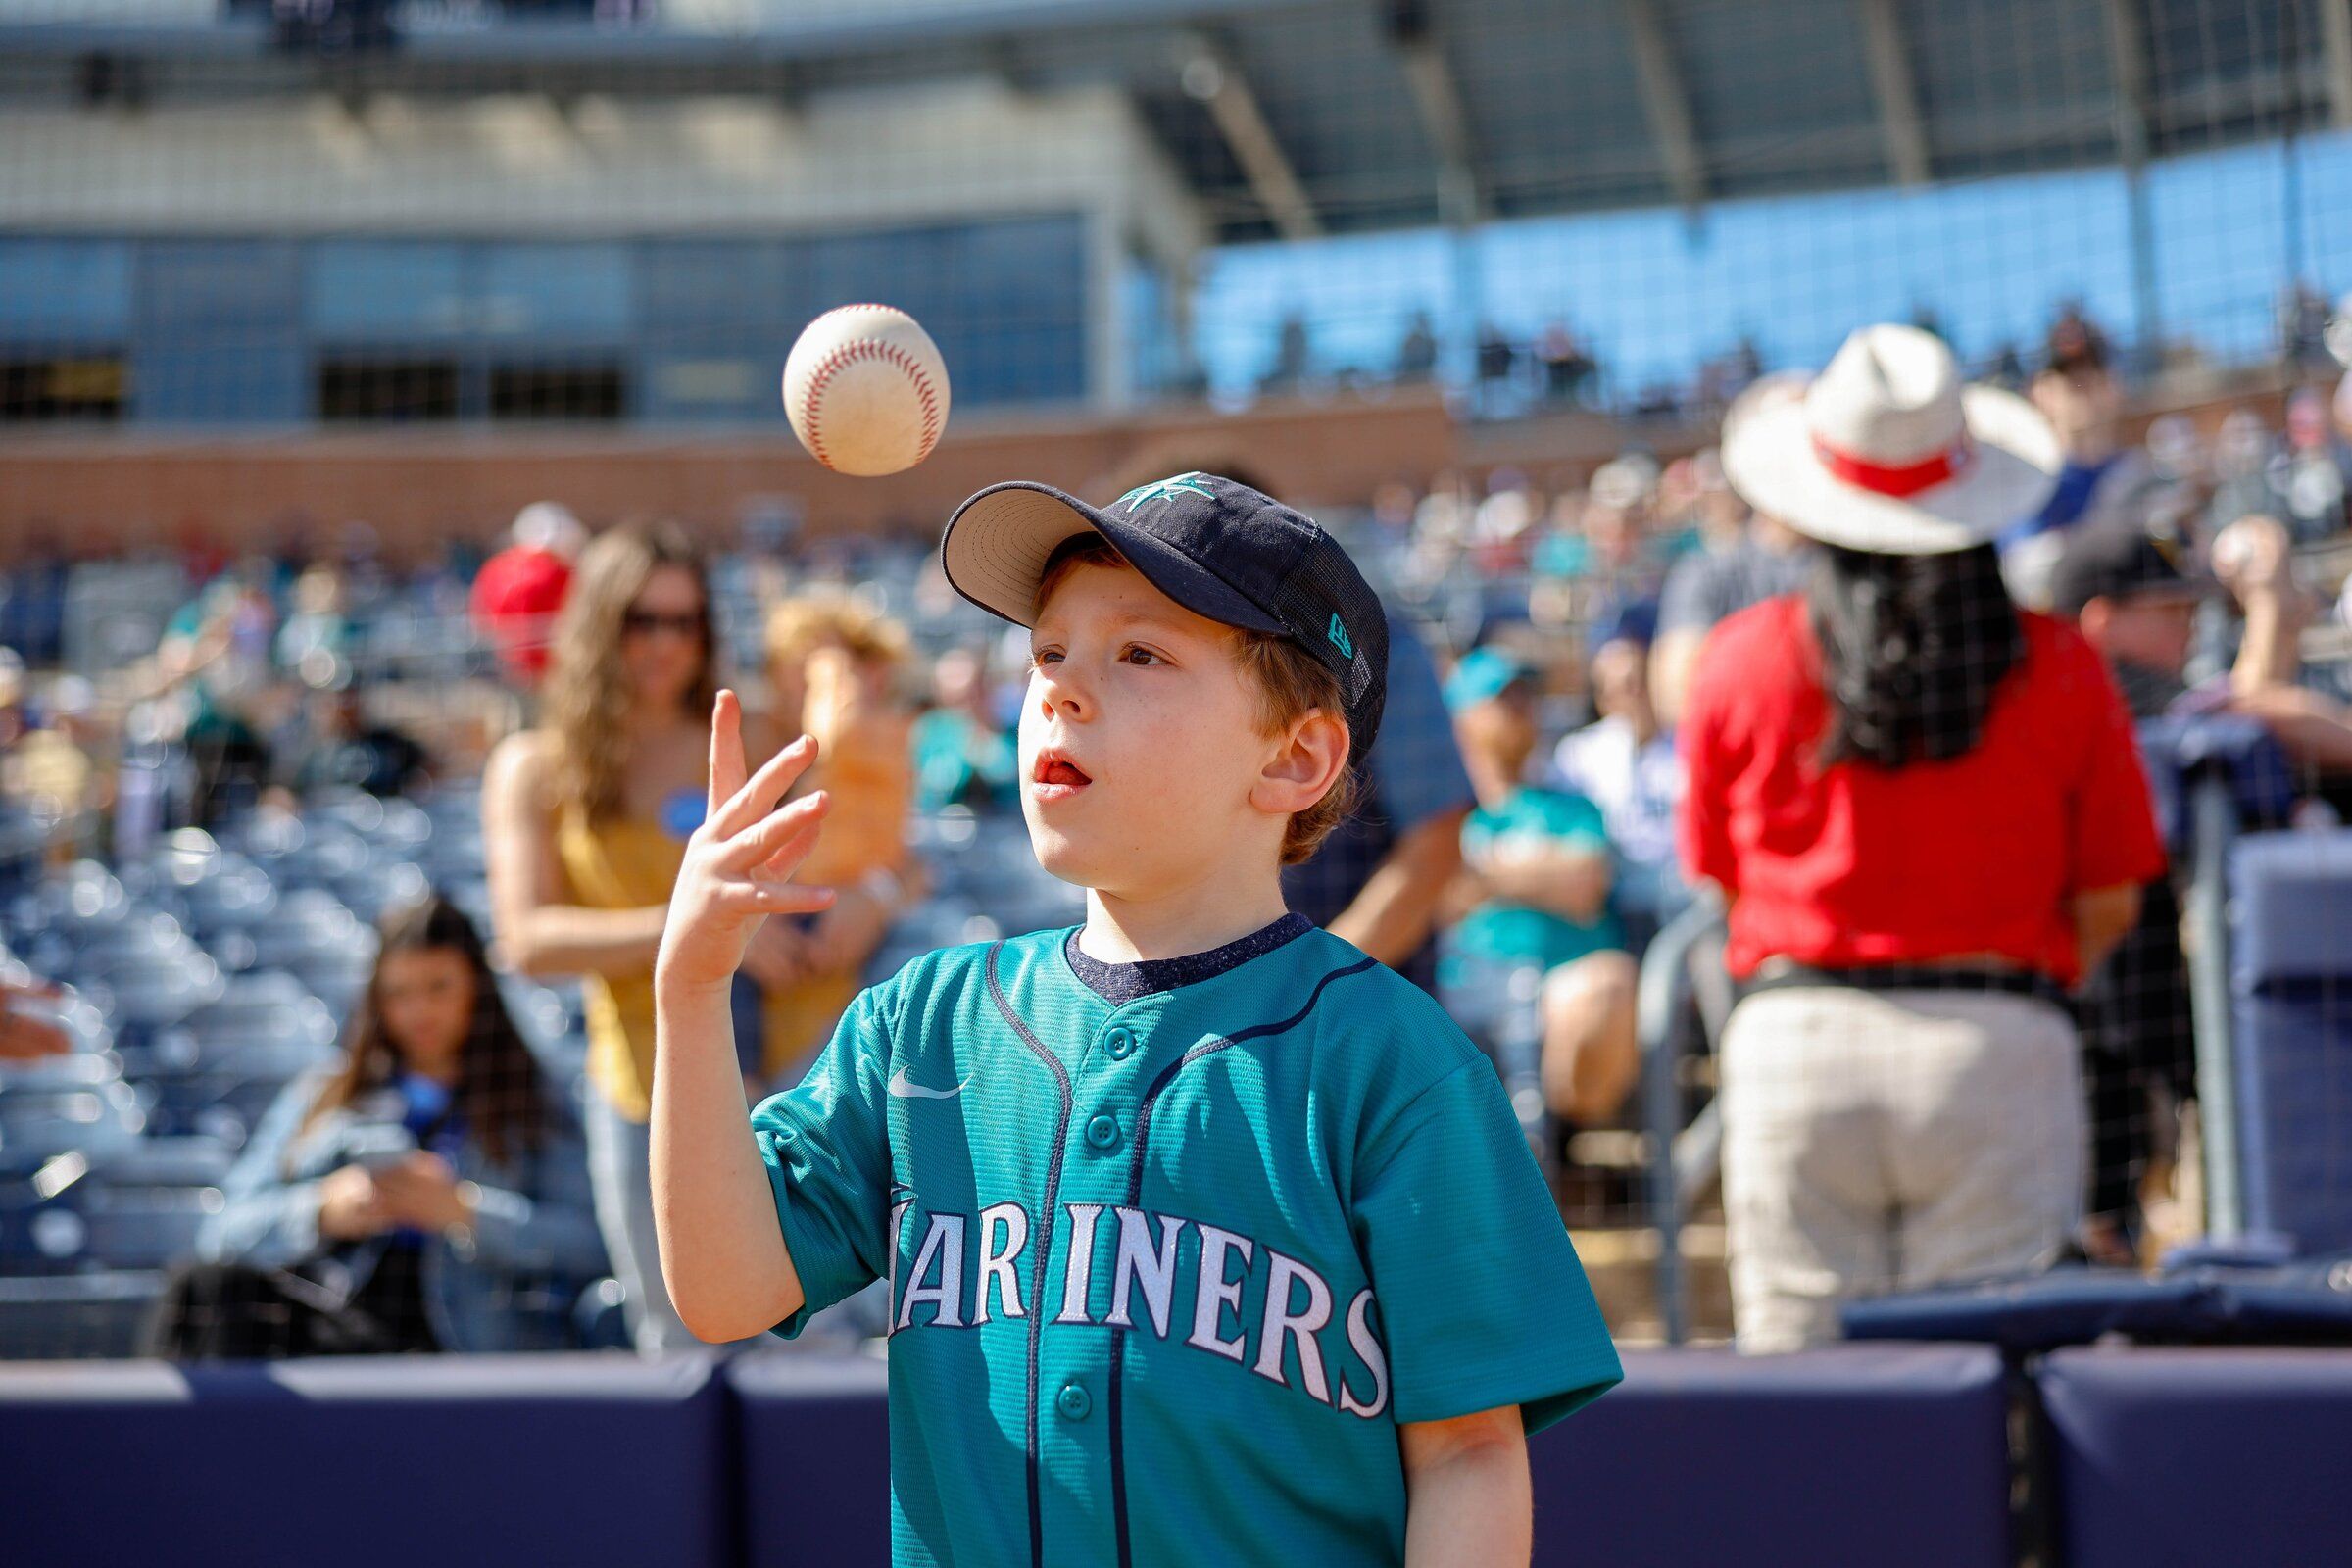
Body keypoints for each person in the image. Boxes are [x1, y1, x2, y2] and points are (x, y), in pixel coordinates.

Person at [653, 472, 1622, 1564]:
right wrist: (690, 993)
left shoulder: (1392, 1062)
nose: (1062, 691)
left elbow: (1467, 1454)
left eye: (1140, 655)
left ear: (1294, 757)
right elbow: (726, 1289)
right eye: (1049, 654)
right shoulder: (921, 1023)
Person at [1687, 324, 2166, 1352]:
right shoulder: (2064, 667)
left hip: (1796, 1047)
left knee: (1804, 1426)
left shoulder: (1735, 660)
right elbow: (2112, 896)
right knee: (1986, 1414)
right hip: (1996, 1046)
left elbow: (1721, 882)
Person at [481, 522, 797, 1353]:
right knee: (677, 1333)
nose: (664, 643)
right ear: (599, 625)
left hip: (776, 1067)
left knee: (796, 1332)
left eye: (683, 621)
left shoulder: (746, 736)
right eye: (641, 621)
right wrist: (695, 926)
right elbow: (527, 939)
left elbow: (863, 847)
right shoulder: (537, 765)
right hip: (635, 1077)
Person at [166, 894, 604, 1357]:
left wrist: (464, 1213)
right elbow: (220, 1234)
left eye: (439, 988)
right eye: (399, 993)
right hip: (337, 1320)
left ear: (478, 987)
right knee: (204, 1289)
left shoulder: (534, 1101)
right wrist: (321, 1209)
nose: (419, 1012)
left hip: (466, 1339)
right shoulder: (328, 1094)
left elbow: (592, 1246)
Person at [1444, 647, 1640, 1132]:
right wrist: (1538, 874)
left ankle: (1565, 1153)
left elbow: (1584, 883)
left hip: (1561, 1004)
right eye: (1502, 697)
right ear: (1462, 716)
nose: (1521, 707)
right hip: (1468, 999)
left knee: (1605, 985)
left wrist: (1484, 877)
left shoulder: (1571, 806)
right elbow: (1438, 898)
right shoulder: (1441, 820)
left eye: (1526, 696)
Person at [759, 590, 920, 1083]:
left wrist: (873, 897)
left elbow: (912, 865)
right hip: (763, 1004)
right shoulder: (751, 742)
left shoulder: (875, 748)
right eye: (803, 663)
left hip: (842, 989)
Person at [1551, 603, 1686, 945]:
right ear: (1601, 697)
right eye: (1617, 687)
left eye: (1637, 681)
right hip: (1614, 906)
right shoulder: (1579, 755)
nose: (1632, 695)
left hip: (1684, 903)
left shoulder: (1688, 745)